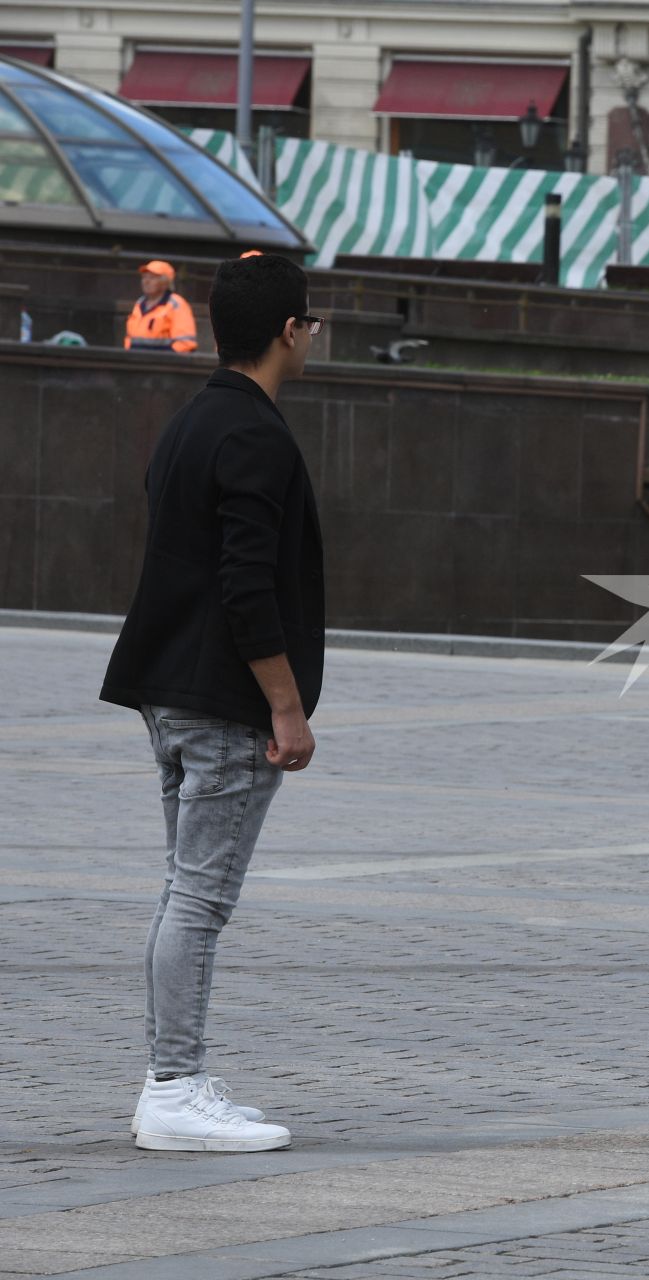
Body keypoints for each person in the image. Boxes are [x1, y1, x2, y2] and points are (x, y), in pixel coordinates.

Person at [101, 254, 325, 1151]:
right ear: (289, 331)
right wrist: (287, 707)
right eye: (311, 322)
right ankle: (174, 1088)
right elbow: (246, 586)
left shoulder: (193, 421)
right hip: (225, 703)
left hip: (169, 690)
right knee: (199, 900)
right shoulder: (257, 435)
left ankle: (175, 1077)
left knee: (183, 894)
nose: (313, 335)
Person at [124, 260, 199, 354]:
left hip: (164, 365)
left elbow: (186, 343)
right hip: (134, 362)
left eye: (152, 278)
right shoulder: (139, 303)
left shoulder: (177, 304)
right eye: (144, 277)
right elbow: (129, 339)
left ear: (165, 282)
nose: (146, 281)